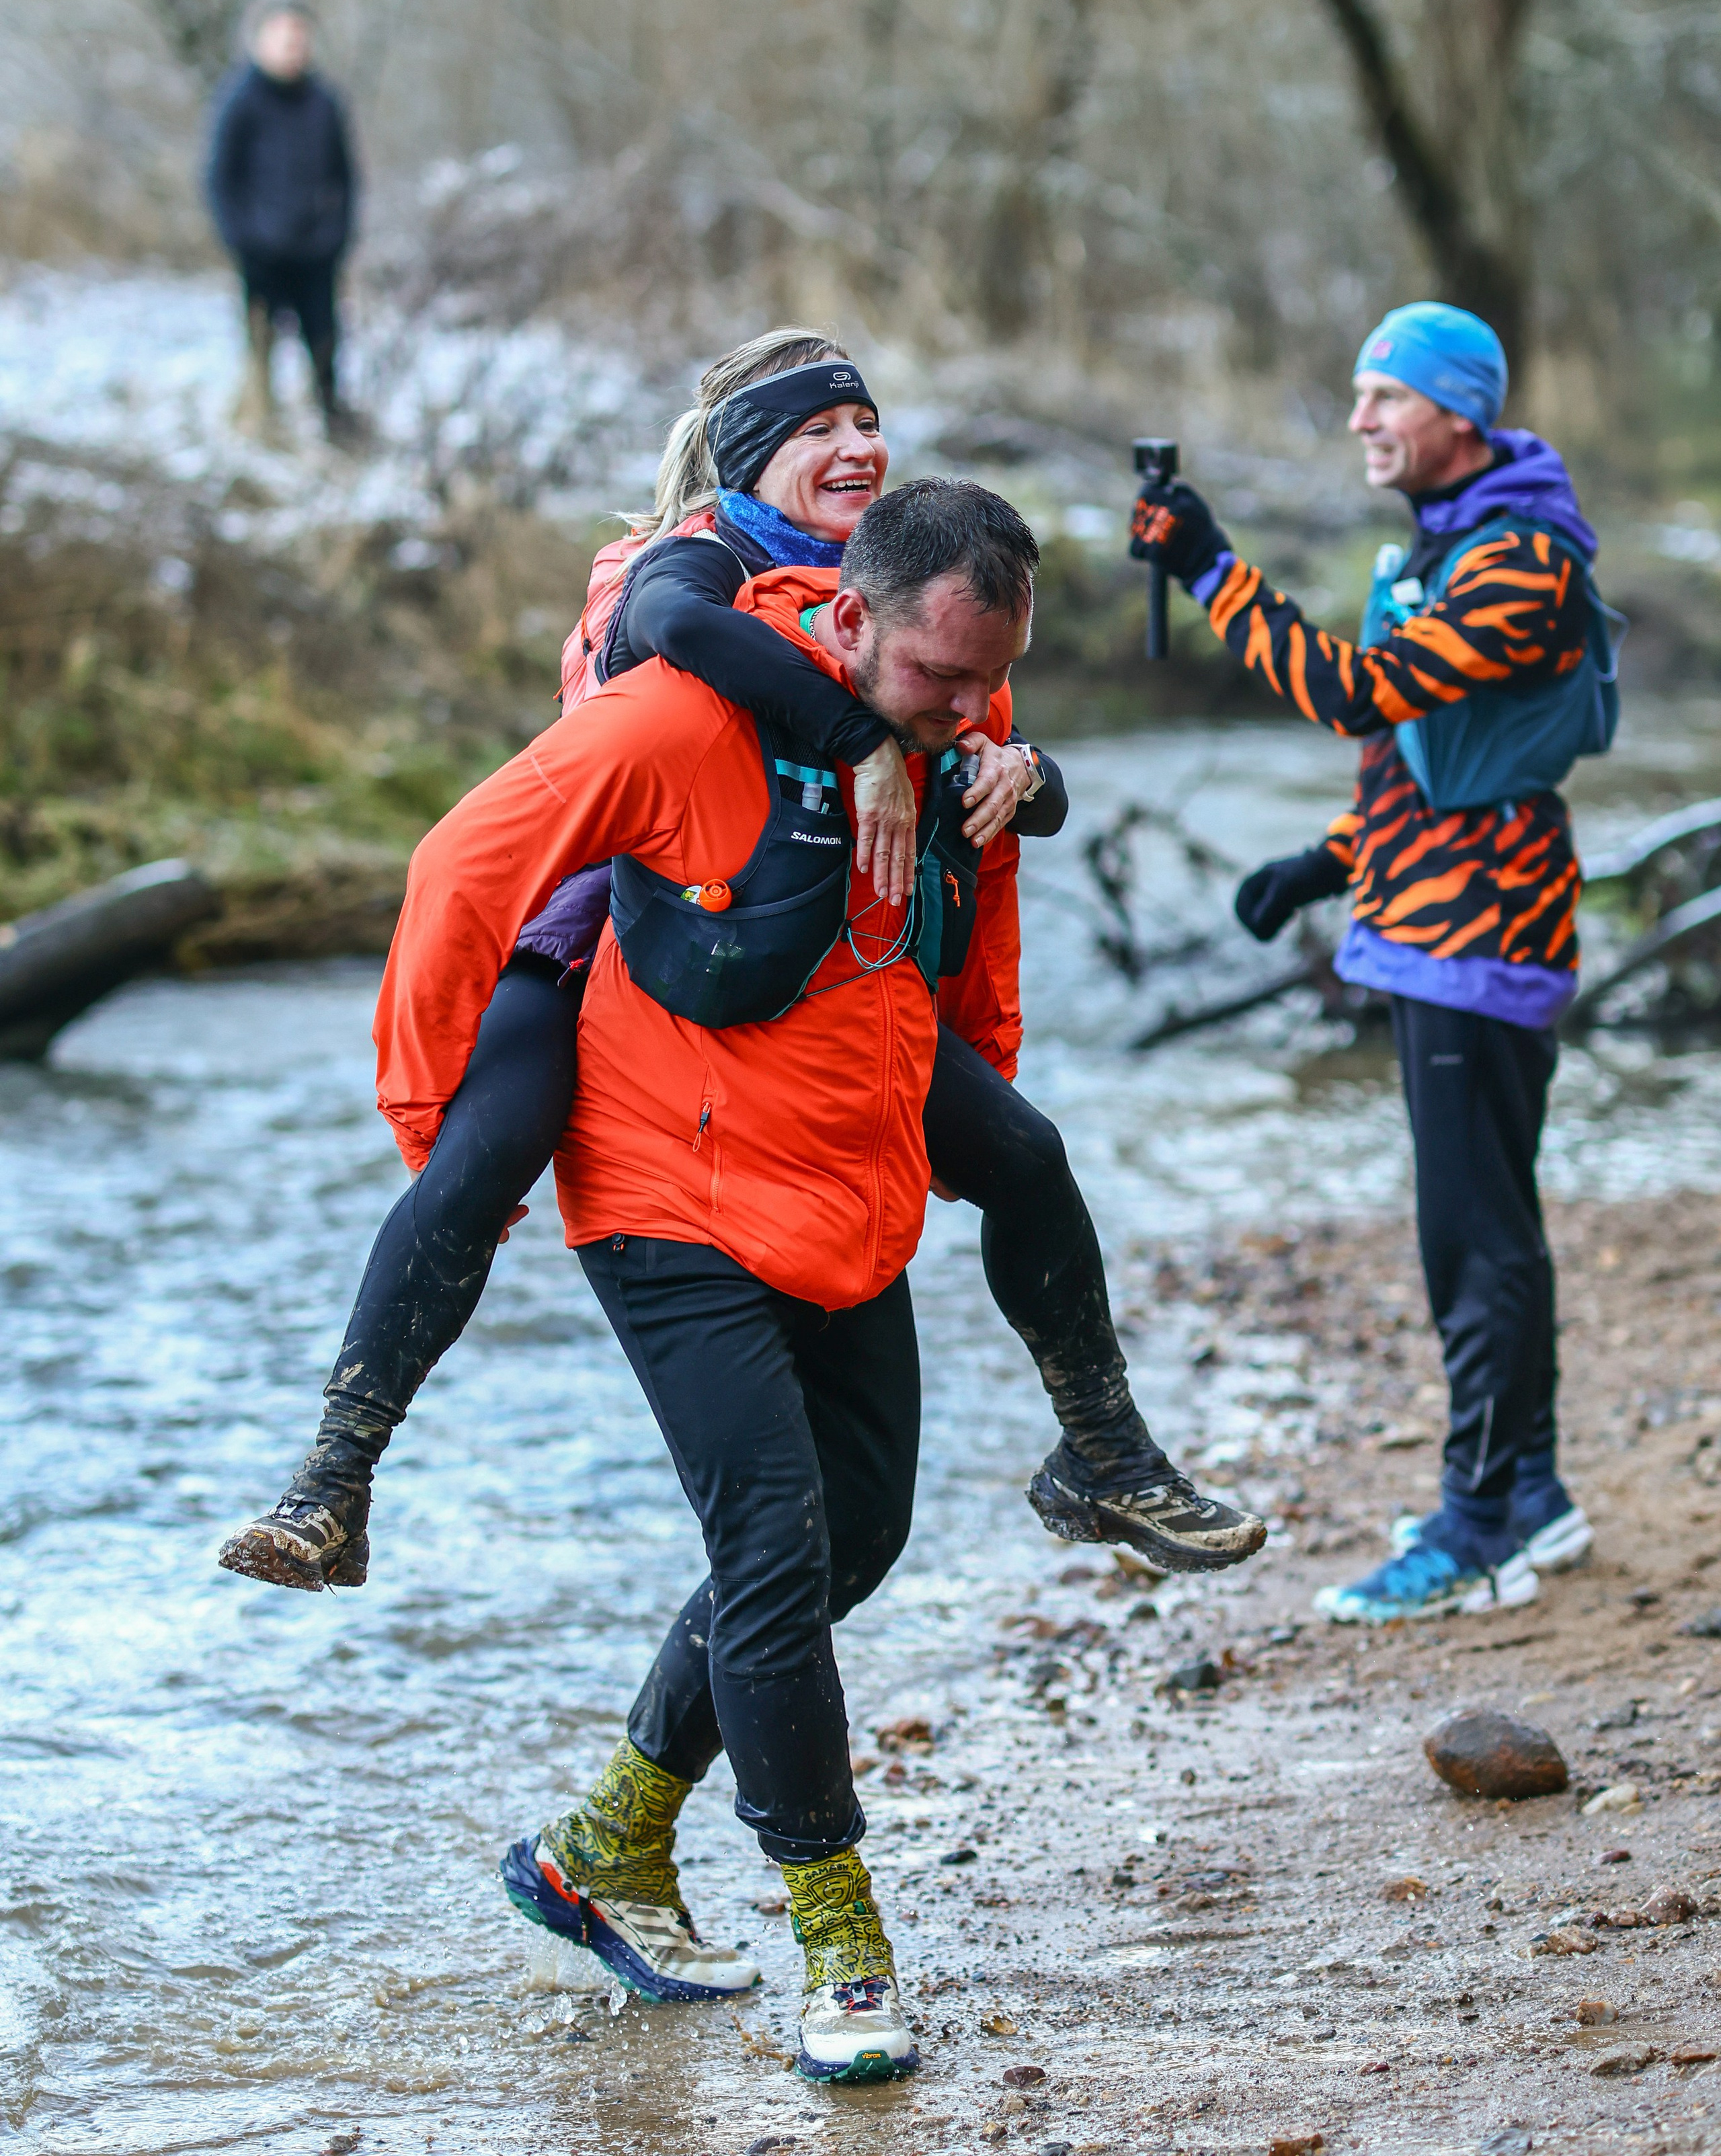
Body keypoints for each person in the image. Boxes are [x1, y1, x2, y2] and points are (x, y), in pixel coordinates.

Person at [362, 478, 1263, 2082]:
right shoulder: (673, 723)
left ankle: (600, 1844)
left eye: (986, 685)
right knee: (772, 1548)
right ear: (846, 618)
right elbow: (456, 871)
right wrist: (437, 1133)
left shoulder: (951, 724)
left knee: (858, 1531)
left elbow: (954, 945)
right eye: (931, 683)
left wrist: (979, 1070)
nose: (958, 713)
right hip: (658, 1191)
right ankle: (839, 1937)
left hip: (842, 1188)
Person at [220, 332, 1263, 1593]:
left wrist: (1022, 772)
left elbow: (993, 751)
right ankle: (333, 1480)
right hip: (603, 937)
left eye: (868, 421)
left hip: (813, 979)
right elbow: (671, 630)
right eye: (820, 431)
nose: (857, 447)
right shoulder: (679, 563)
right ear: (753, 458)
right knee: (479, 1156)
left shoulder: (912, 581)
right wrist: (853, 737)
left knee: (1027, 1156)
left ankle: (1104, 1450)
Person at [1131, 301, 1616, 1626]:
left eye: (1382, 398)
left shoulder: (1519, 560)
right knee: (1486, 1229)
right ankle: (1529, 1496)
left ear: (1458, 413)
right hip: (1427, 928)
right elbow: (1441, 764)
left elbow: (1357, 693)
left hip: (1479, 942)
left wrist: (1212, 569)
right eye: (1355, 395)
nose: (1357, 421)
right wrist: (1325, 861)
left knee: (1471, 1246)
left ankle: (1473, 1527)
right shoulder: (1452, 542)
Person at [205, 0, 360, 444]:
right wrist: (242, 237)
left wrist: (337, 235)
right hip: (261, 252)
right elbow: (219, 176)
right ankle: (259, 425)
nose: (294, 46)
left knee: (326, 341)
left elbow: (346, 176)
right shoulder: (239, 99)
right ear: (262, 41)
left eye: (301, 37)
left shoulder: (323, 102)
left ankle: (332, 421)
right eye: (284, 37)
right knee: (260, 344)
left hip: (317, 252)